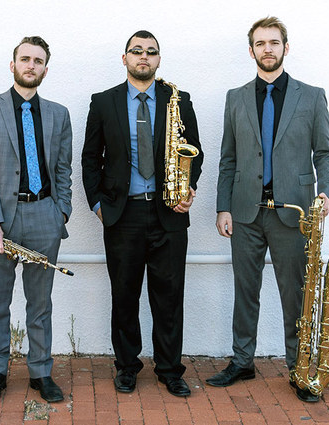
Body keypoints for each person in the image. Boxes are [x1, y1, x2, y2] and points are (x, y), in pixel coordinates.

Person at [209, 16, 329, 403]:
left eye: (274, 42)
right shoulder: (235, 97)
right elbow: (228, 159)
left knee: (295, 295)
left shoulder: (311, 96)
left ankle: (299, 369)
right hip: (245, 212)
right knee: (245, 291)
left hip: (293, 214)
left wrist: (326, 194)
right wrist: (222, 207)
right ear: (251, 51)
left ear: (286, 48)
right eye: (260, 43)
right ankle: (242, 361)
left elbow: (325, 153)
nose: (268, 49)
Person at [81, 30, 203, 398]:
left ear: (159, 59)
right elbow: (90, 158)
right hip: (123, 214)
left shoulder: (178, 100)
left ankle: (169, 369)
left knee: (169, 297)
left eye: (151, 51)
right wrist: (98, 205)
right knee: (124, 295)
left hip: (169, 212)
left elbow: (194, 151)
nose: (143, 57)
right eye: (137, 51)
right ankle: (127, 367)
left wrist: (188, 188)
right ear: (125, 58)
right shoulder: (103, 102)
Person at [0, 36, 73, 404]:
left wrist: (61, 212)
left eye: (38, 61)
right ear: (12, 65)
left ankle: (40, 371)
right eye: (25, 59)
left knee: (40, 303)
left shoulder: (59, 114)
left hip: (45, 216)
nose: (31, 65)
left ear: (46, 69)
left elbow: (63, 169)